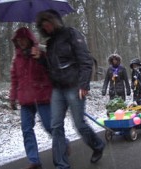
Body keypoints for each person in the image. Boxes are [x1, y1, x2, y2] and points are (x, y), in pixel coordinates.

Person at [36, 9, 105, 168]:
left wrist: (84, 84)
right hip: (58, 89)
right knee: (56, 126)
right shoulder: (50, 43)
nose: (46, 27)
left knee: (79, 124)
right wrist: (40, 58)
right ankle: (61, 165)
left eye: (48, 23)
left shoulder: (71, 34)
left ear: (54, 21)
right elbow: (51, 68)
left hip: (74, 86)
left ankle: (97, 145)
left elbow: (86, 60)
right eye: (43, 25)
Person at [9, 27, 53, 169]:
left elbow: (50, 72)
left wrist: (40, 58)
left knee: (49, 126)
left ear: (30, 39)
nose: (21, 42)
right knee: (26, 129)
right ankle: (34, 161)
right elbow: (15, 79)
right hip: (25, 99)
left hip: (42, 96)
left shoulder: (40, 52)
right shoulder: (17, 59)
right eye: (18, 40)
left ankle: (63, 143)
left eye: (23, 39)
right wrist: (12, 97)